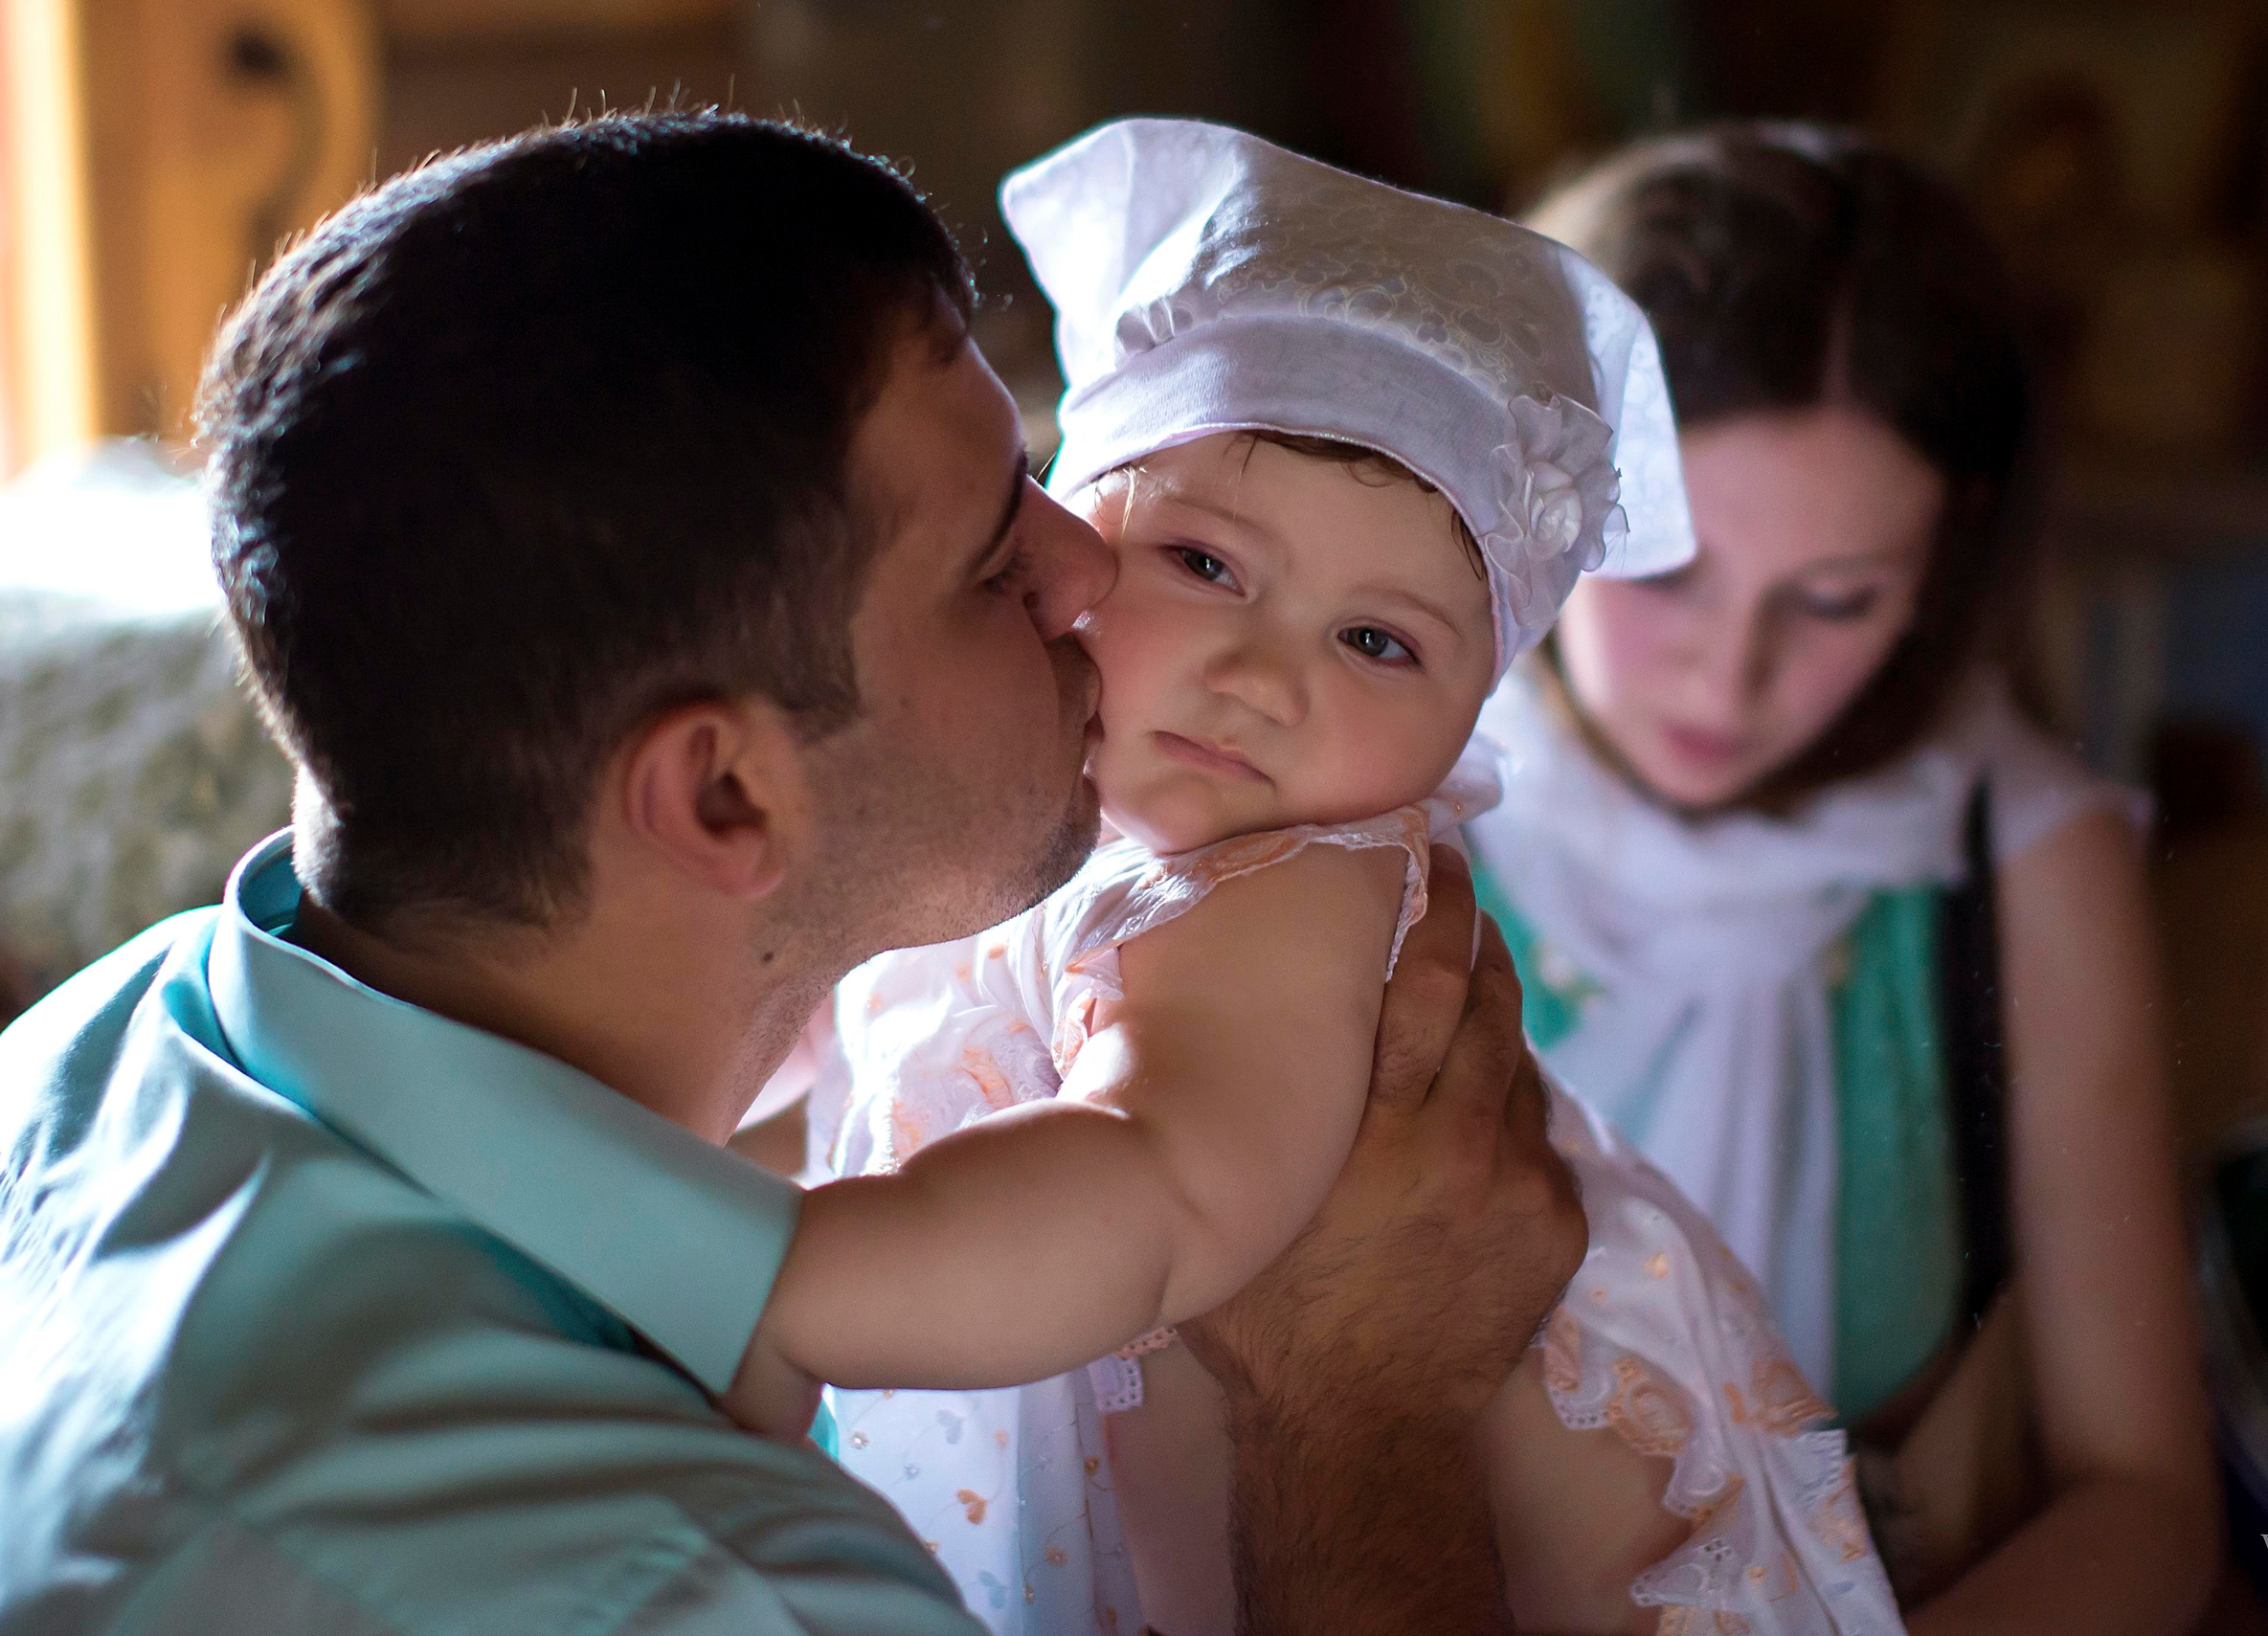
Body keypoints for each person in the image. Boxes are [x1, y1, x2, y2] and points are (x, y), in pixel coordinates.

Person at [0, 113, 1585, 1634]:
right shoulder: (720, 1589)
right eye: (994, 561)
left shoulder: (59, 1084)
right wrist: (1365, 1424)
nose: (1087, 570)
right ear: (724, 797)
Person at [807, 119, 1900, 1636]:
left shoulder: (1288, 889)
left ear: (1471, 719)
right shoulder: (1057, 830)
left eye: (1378, 641)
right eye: (1206, 564)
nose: (1262, 677)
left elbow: (1159, 1184)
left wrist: (772, 1283)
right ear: (1064, 530)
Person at [1467, 123, 2216, 1631]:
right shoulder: (1385, 786)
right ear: (1537, 488)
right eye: (1666, 572)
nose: (1727, 677)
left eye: (1835, 601)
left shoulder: (2017, 856)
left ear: (1948, 571)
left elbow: (2144, 1495)